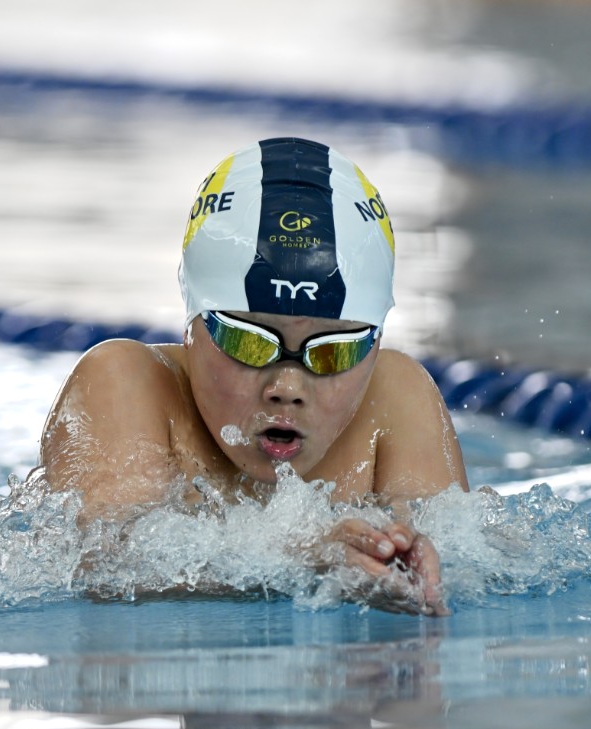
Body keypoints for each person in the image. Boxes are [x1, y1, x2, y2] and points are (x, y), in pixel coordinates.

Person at [38, 137, 468, 615]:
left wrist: (422, 561)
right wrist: (298, 556)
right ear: (193, 325)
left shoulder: (395, 396)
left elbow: (467, 549)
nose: (286, 388)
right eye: (249, 341)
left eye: (334, 351)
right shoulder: (124, 382)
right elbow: (103, 565)